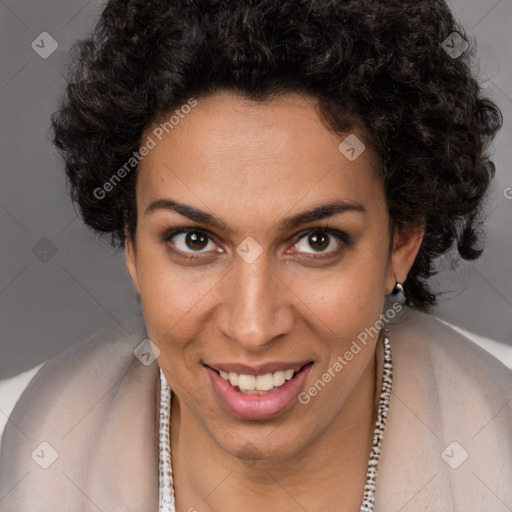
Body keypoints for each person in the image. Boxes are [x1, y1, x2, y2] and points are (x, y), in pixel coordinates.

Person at [1, 0, 511, 511]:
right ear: (131, 246)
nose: (252, 326)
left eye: (317, 241)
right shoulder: (23, 451)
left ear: (402, 241)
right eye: (194, 240)